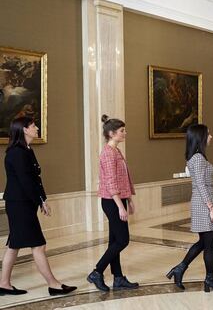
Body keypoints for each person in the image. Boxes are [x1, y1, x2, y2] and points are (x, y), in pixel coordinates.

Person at [0, 117, 77, 296]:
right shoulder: (16, 152)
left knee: (14, 245)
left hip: (24, 202)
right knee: (38, 245)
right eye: (34, 126)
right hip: (19, 204)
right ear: (25, 130)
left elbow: (35, 180)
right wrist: (39, 201)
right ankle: (53, 284)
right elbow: (26, 182)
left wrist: (42, 199)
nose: (37, 128)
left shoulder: (27, 150)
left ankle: (4, 284)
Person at [167, 124, 213, 292]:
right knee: (209, 244)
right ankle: (210, 278)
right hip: (203, 204)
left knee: (205, 242)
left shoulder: (197, 156)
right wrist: (211, 208)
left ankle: (180, 269)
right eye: (208, 134)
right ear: (201, 137)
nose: (211, 136)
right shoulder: (198, 158)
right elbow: (200, 185)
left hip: (202, 202)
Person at [87, 115, 138, 292]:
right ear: (111, 133)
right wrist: (120, 205)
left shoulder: (116, 151)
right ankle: (97, 272)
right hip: (111, 201)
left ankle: (118, 278)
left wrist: (129, 200)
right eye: (122, 131)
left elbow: (123, 179)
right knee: (123, 240)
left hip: (119, 199)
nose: (125, 133)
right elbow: (110, 182)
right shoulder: (108, 153)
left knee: (114, 241)